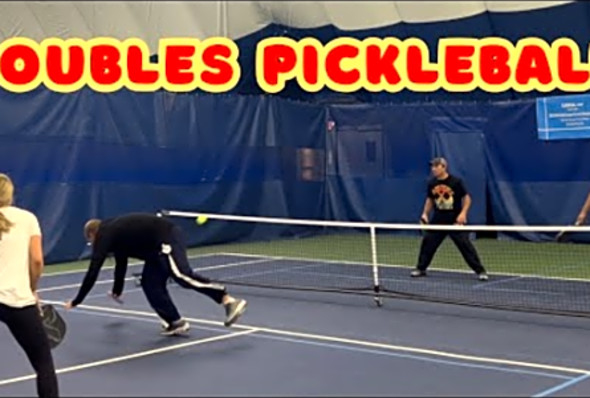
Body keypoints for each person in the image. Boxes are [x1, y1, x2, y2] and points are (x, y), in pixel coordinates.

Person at [65, 213, 247, 335]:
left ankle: (227, 300)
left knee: (181, 275)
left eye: (91, 242)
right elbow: (121, 263)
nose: (95, 246)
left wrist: (77, 300)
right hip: (154, 250)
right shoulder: (115, 236)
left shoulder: (105, 233)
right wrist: (117, 290)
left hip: (166, 237)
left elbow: (93, 270)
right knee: (150, 284)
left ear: (92, 234)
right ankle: (175, 321)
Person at [0, 174, 59, 397]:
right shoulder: (27, 218)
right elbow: (36, 260)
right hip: (19, 302)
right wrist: (31, 288)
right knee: (44, 364)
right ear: (10, 193)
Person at [411, 158, 489, 281]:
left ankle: (480, 271)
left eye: (436, 166)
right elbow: (430, 200)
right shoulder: (432, 183)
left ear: (444, 167)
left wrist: (463, 214)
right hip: (438, 220)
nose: (433, 169)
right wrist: (425, 214)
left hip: (454, 221)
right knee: (428, 244)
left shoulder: (456, 182)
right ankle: (421, 268)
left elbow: (467, 198)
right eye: (432, 166)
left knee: (465, 246)